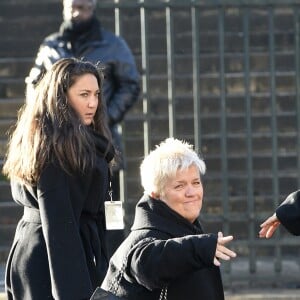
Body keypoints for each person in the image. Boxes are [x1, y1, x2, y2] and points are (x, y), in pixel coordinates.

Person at [3, 58, 115, 300]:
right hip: (50, 258)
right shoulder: (55, 148)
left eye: (96, 94)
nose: (93, 102)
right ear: (61, 97)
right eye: (83, 94)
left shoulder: (84, 141)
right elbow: (60, 227)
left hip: (64, 249)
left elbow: (105, 211)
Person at [26, 0, 140, 218]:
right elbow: (34, 85)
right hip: (59, 142)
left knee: (110, 215)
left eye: (83, 7)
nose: (77, 13)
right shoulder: (50, 45)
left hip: (103, 140)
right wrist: (47, 118)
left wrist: (103, 117)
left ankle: (112, 251)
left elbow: (130, 84)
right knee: (67, 213)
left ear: (93, 6)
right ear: (64, 6)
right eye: (72, 7)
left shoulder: (114, 44)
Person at [100, 138, 237, 300]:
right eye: (179, 186)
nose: (192, 192)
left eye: (196, 182)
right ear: (155, 193)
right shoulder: (146, 238)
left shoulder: (186, 230)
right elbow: (144, 265)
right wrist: (199, 248)